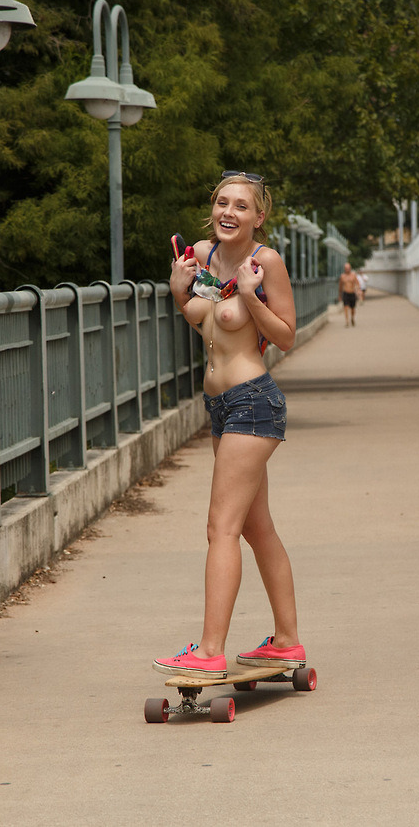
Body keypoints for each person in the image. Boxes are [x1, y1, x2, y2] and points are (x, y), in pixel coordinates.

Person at [157, 171, 305, 678]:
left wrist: (252, 297)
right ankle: (286, 641)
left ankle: (209, 650)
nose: (229, 212)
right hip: (218, 405)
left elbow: (285, 337)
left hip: (253, 402)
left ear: (259, 217)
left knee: (220, 527)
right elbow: (205, 321)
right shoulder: (200, 255)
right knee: (255, 527)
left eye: (242, 206)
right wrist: (180, 294)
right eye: (223, 203)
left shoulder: (265, 262)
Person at [338, 262, 359, 326]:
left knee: (352, 309)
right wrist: (340, 295)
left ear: (350, 268)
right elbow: (340, 286)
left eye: (348, 268)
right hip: (345, 293)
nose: (347, 269)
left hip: (352, 293)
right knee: (346, 307)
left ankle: (352, 318)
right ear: (344, 269)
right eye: (346, 268)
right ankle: (347, 321)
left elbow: (357, 284)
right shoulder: (342, 276)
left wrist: (357, 289)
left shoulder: (353, 275)